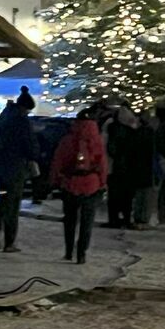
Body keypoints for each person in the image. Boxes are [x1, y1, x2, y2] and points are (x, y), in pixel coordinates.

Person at [51, 110, 107, 264]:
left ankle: (69, 250)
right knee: (87, 221)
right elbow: (102, 164)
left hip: (70, 183)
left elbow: (58, 161)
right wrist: (102, 182)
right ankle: (81, 253)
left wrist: (55, 180)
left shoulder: (67, 140)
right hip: (91, 184)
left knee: (70, 220)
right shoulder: (97, 141)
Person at [0, 87, 39, 252]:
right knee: (12, 204)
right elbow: (30, 146)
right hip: (14, 167)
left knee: (2, 201)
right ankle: (9, 241)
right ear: (25, 108)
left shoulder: (3, 118)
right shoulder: (21, 122)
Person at [104, 105, 140, 229]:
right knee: (127, 196)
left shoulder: (112, 129)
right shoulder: (132, 132)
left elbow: (111, 149)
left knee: (114, 195)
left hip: (116, 168)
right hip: (128, 168)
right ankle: (125, 218)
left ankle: (114, 218)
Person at [131, 109, 159, 228]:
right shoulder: (152, 134)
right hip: (147, 167)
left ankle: (138, 217)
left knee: (140, 194)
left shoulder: (136, 133)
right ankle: (144, 218)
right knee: (146, 194)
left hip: (138, 166)